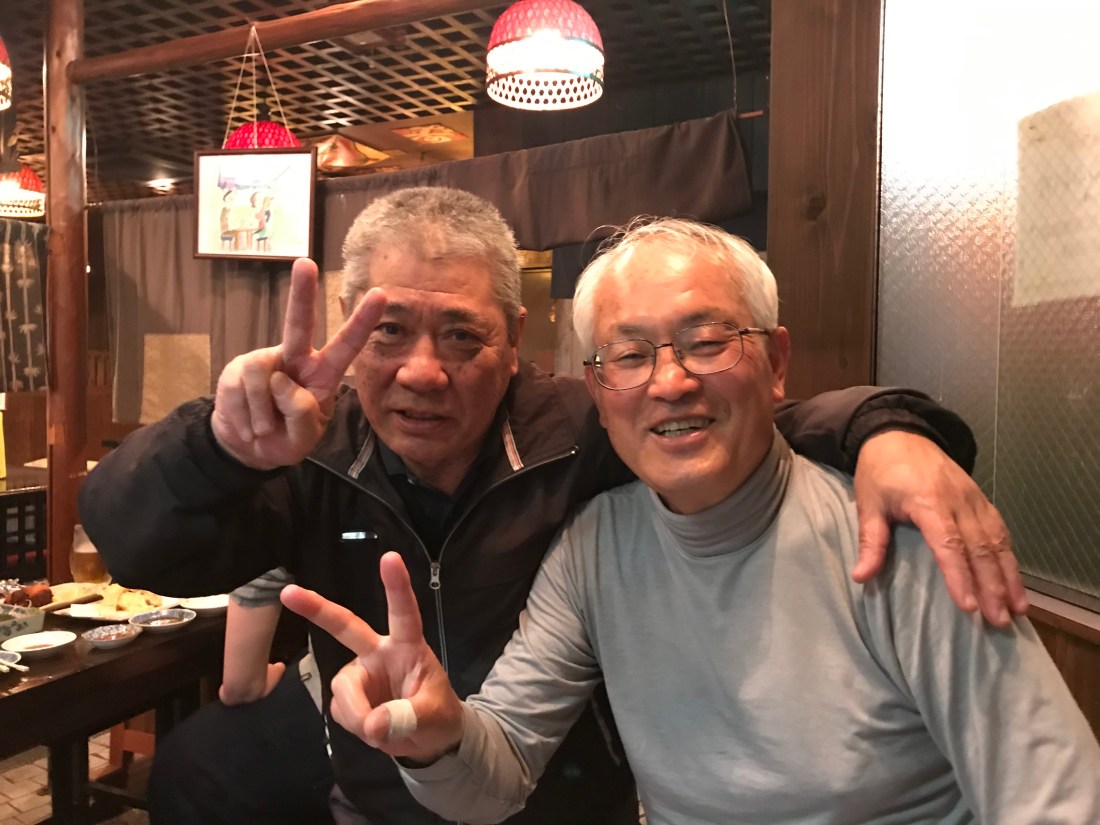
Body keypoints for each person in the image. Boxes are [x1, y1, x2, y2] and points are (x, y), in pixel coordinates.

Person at [79, 187, 1025, 825]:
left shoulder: (582, 425)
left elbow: (739, 422)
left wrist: (889, 429)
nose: (423, 370)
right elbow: (135, 548)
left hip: (568, 801)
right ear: (345, 335)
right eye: (389, 330)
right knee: (195, 767)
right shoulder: (305, 449)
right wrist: (216, 446)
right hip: (379, 792)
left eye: (462, 334)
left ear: (516, 339)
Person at [284, 217, 1100, 825]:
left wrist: (891, 430)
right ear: (599, 391)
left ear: (775, 362)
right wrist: (438, 734)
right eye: (630, 355)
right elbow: (493, 778)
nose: (669, 382)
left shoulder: (898, 530)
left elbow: (1055, 798)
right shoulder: (595, 548)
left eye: (707, 342)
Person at [146, 569, 335, 823]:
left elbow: (241, 688)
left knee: (185, 769)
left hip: (344, 698)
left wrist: (244, 682)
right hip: (349, 679)